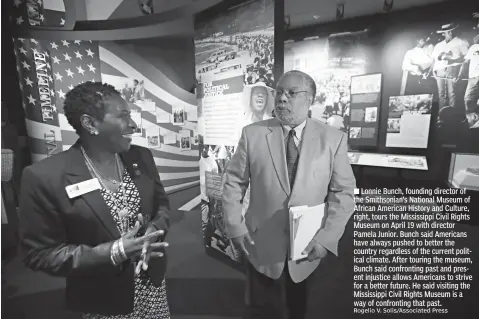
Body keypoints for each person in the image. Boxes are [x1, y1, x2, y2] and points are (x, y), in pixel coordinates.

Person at [18, 82, 171, 318]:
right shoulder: (45, 177)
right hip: (103, 296)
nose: (133, 125)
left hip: (151, 282)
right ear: (90, 124)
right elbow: (39, 253)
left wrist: (153, 232)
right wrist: (114, 251)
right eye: (123, 116)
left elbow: (162, 206)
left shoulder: (141, 156)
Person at [222, 70, 356, 319]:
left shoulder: (333, 139)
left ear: (310, 99)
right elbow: (232, 183)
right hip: (260, 243)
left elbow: (344, 193)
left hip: (307, 246)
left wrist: (327, 238)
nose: (282, 99)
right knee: (260, 309)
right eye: (279, 92)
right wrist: (234, 226)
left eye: (292, 93)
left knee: (300, 308)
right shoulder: (253, 134)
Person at [427, 23, 469, 109]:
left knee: (452, 93)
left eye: (449, 31)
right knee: (441, 93)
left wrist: (457, 65)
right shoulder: (439, 45)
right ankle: (442, 115)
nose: (448, 33)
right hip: (440, 70)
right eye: (446, 32)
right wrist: (433, 71)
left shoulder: (460, 42)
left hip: (452, 69)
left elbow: (466, 58)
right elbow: (434, 59)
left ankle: (451, 115)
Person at [456, 33, 479, 128]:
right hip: (474, 77)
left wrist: (459, 76)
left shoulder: (474, 47)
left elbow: (465, 63)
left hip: (475, 77)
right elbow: (465, 62)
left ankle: (474, 125)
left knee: (469, 100)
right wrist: (460, 75)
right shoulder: (474, 47)